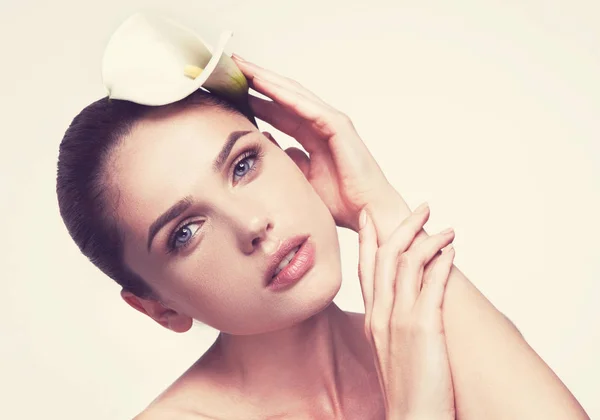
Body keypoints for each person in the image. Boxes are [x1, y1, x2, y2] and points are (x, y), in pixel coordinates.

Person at [56, 54, 590, 419]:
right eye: (186, 232)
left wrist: (376, 205)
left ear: (295, 162)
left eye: (243, 165)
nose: (252, 225)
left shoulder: (434, 337)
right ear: (158, 308)